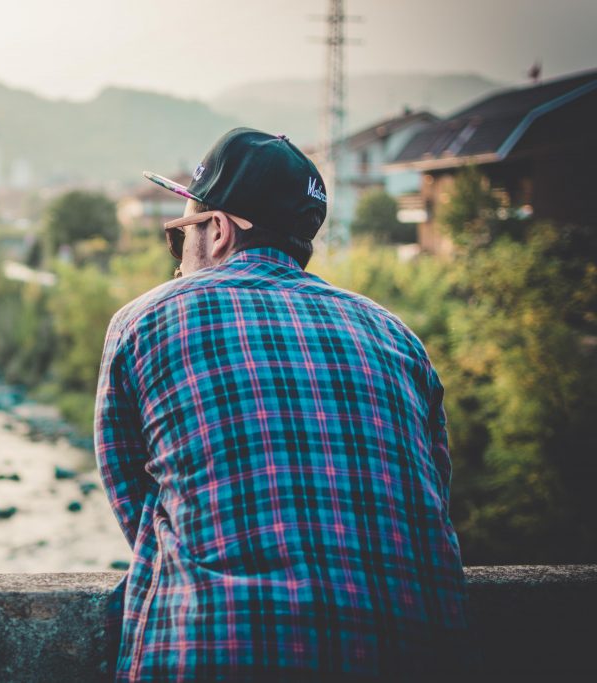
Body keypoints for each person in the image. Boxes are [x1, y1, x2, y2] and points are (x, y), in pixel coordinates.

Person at [95, 128, 469, 681]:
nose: (178, 265)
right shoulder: (396, 336)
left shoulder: (147, 320)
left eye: (181, 238)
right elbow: (432, 494)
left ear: (218, 230)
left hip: (218, 657)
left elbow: (135, 498)